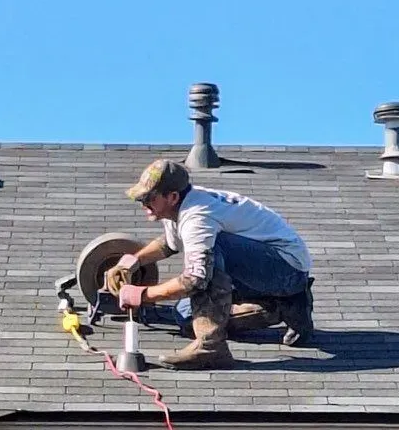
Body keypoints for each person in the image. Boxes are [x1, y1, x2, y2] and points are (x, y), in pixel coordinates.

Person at [107, 158, 313, 370]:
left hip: (286, 269)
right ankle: (284, 306)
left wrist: (141, 295)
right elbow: (169, 244)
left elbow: (195, 279)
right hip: (262, 270)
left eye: (148, 198)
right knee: (187, 317)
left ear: (172, 196)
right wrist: (131, 261)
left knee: (208, 259)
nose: (144, 205)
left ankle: (211, 349)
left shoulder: (197, 216)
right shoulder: (179, 205)